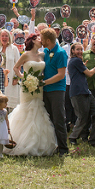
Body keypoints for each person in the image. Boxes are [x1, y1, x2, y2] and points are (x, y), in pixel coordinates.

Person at [5, 33, 58, 156]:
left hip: (39, 87)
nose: (41, 40)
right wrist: (23, 77)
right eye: (38, 38)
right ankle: (21, 141)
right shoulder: (26, 55)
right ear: (33, 41)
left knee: (38, 108)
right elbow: (16, 68)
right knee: (27, 110)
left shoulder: (43, 54)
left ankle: (39, 143)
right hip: (27, 88)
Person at [67, 42, 95, 146]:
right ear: (73, 51)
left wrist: (83, 66)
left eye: (81, 49)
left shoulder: (77, 62)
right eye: (77, 49)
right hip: (78, 93)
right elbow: (90, 73)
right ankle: (73, 137)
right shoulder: (75, 60)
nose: (80, 51)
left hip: (86, 92)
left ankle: (93, 139)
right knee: (83, 117)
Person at [40, 27, 69, 156]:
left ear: (48, 40)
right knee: (49, 119)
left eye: (42, 39)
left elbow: (61, 75)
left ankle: (63, 148)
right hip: (46, 90)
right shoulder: (46, 51)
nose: (41, 41)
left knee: (59, 119)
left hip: (57, 90)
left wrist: (45, 82)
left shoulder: (61, 52)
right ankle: (53, 145)